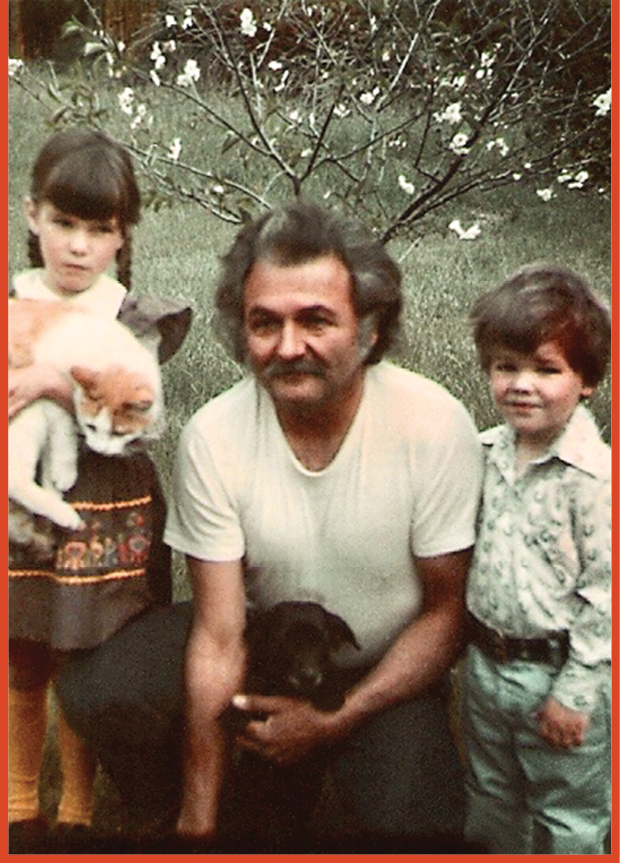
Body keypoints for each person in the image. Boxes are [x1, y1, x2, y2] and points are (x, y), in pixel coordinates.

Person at [56, 200, 483, 851]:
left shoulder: (433, 423)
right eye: (264, 323)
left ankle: (329, 763)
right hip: (264, 651)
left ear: (369, 328)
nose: (288, 346)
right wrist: (199, 820)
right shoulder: (215, 435)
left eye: (316, 320)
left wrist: (334, 719)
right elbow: (220, 635)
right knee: (106, 686)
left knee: (416, 822)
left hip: (382, 673)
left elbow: (446, 615)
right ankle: (175, 801)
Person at [8, 127, 191, 851]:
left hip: (105, 516)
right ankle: (20, 803)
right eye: (64, 223)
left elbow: (144, 412)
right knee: (23, 654)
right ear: (32, 217)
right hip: (25, 510)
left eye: (100, 229)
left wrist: (58, 382)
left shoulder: (129, 318)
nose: (79, 246)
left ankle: (81, 808)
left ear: (122, 236)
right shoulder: (12, 301)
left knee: (88, 657)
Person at [463, 264, 611, 854]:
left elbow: (607, 594)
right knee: (492, 798)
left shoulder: (595, 480)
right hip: (485, 664)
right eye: (507, 367)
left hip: (559, 673)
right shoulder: (486, 452)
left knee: (566, 813)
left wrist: (576, 692)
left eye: (547, 369)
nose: (523, 384)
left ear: (588, 380)